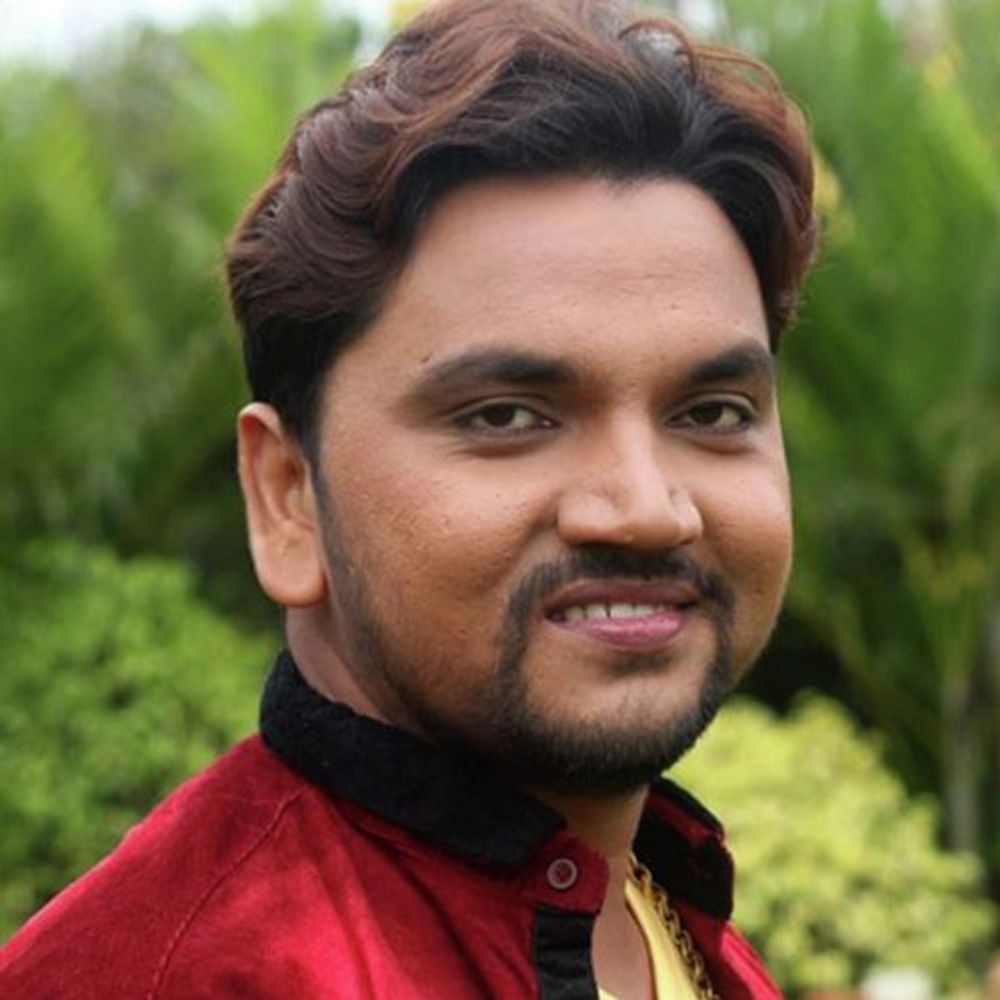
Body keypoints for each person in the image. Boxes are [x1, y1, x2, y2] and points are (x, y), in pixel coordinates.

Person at [0, 0, 816, 996]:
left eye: (713, 410)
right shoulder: (184, 974)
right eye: (507, 416)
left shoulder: (668, 908)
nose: (647, 509)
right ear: (288, 496)